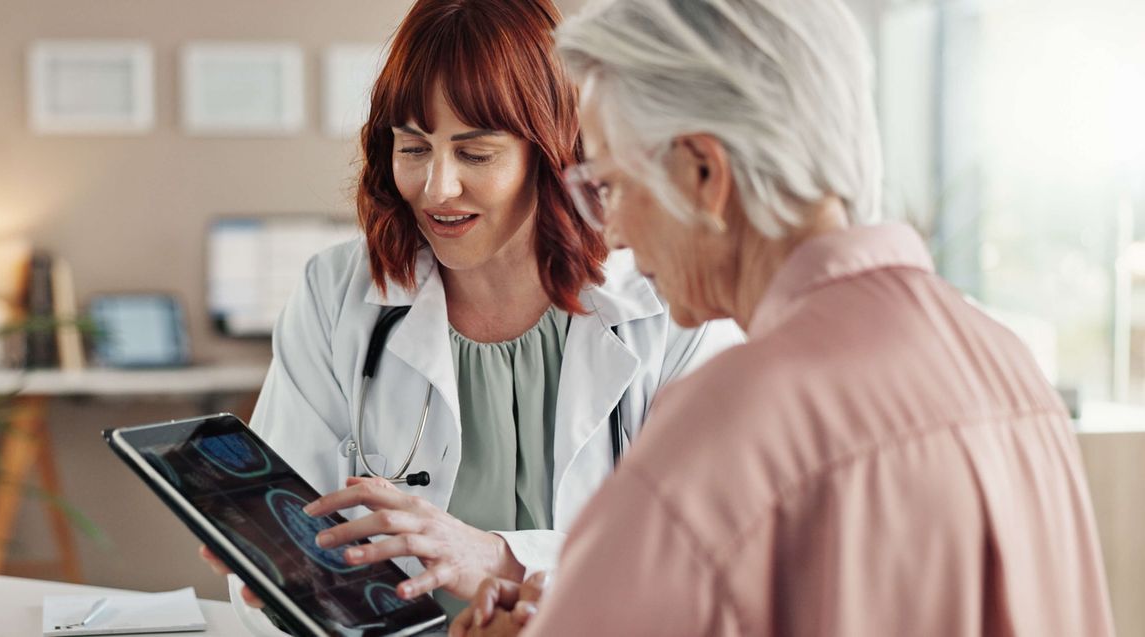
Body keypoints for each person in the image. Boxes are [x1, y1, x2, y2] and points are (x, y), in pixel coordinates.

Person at [452, 0, 1116, 635]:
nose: (614, 231)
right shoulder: (1006, 366)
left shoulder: (730, 421)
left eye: (611, 186)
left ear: (703, 174)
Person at [200, 0, 741, 631]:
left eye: (475, 154)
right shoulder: (336, 293)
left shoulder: (671, 304)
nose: (436, 188)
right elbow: (285, 547)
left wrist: (501, 559)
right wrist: (282, 579)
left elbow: (714, 558)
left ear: (553, 152)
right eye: (413, 146)